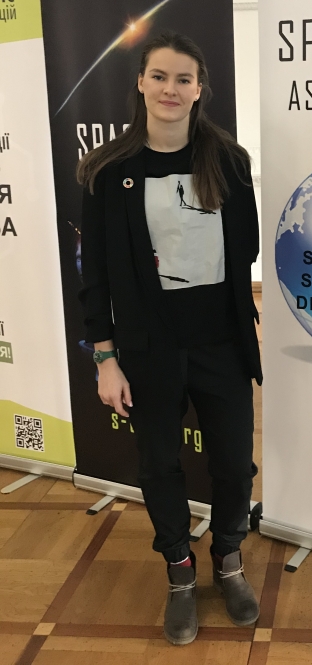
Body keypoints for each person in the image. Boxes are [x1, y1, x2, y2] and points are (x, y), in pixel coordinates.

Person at [77, 32, 262, 645]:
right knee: (159, 465)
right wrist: (106, 359)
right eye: (159, 76)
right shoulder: (109, 172)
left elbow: (245, 249)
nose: (170, 89)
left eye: (184, 79)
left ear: (200, 88)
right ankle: (180, 572)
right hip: (147, 350)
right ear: (140, 83)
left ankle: (228, 559)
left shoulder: (229, 162)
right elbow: (96, 276)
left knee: (233, 465)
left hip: (222, 345)